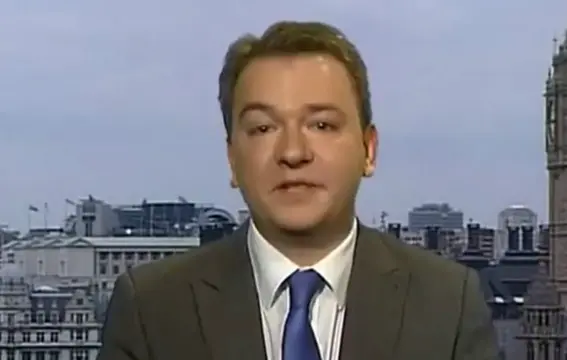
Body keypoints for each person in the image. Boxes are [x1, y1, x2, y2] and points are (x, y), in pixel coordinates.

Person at [97, 21, 499, 360]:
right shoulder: (151, 309)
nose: (293, 152)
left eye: (322, 125)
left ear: (368, 150)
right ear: (232, 159)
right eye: (262, 128)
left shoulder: (449, 304)